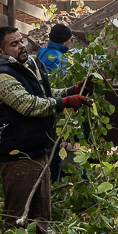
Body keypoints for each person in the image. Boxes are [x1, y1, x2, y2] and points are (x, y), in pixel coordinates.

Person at [0, 25, 90, 231]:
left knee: (41, 221)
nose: (21, 46)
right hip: (19, 159)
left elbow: (43, 95)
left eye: (21, 40)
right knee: (18, 222)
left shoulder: (27, 65)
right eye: (14, 44)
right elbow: (29, 105)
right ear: (0, 52)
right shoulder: (1, 77)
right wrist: (65, 102)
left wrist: (72, 90)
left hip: (39, 152)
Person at [35, 24, 76, 183]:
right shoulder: (59, 59)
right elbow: (63, 84)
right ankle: (52, 184)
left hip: (43, 105)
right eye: (70, 40)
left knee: (51, 149)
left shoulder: (42, 52)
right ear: (65, 41)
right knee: (55, 150)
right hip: (56, 108)